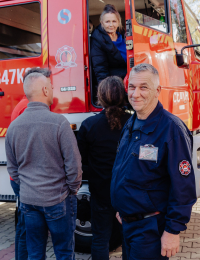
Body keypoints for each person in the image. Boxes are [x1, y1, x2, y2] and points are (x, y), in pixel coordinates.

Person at [111, 63, 197, 259]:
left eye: (144, 87)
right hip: (128, 224)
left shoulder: (171, 129)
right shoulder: (131, 123)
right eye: (132, 87)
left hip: (150, 230)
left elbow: (183, 186)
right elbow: (124, 170)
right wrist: (121, 207)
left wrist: (173, 231)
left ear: (158, 90)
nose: (135, 93)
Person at [5, 69, 82, 260]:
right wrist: (72, 189)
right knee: (64, 252)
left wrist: (27, 190)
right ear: (45, 91)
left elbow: (13, 168)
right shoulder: (59, 123)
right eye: (51, 87)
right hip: (58, 199)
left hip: (29, 202)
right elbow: (74, 165)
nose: (53, 90)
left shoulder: (13, 127)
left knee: (35, 253)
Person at [77, 76, 130, 259]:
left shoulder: (89, 125)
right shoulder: (133, 123)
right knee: (128, 238)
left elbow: (80, 159)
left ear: (100, 97)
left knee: (100, 239)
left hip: (100, 193)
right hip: (128, 192)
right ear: (124, 95)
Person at [9, 67, 51, 260]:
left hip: (22, 177)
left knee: (23, 223)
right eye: (48, 84)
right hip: (25, 178)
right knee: (25, 225)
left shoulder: (23, 105)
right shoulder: (27, 108)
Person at [90, 4, 127, 88]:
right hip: (114, 86)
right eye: (107, 22)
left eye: (114, 21)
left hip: (129, 81)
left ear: (118, 22)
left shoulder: (124, 35)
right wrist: (107, 91)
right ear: (102, 23)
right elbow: (100, 70)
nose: (111, 25)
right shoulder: (97, 40)